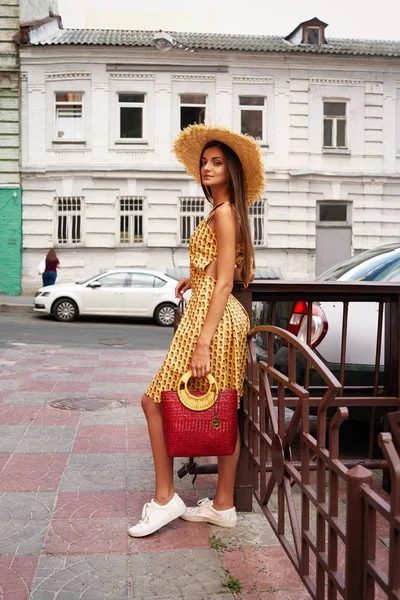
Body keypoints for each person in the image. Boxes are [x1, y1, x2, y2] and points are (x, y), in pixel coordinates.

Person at [128, 124, 266, 538]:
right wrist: (199, 276)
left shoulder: (224, 212)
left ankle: (166, 497)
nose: (206, 168)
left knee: (154, 402)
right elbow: (228, 269)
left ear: (232, 171)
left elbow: (227, 282)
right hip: (213, 309)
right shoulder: (224, 212)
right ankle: (222, 504)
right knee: (222, 408)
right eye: (204, 162)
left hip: (214, 320)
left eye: (217, 162)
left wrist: (203, 341)